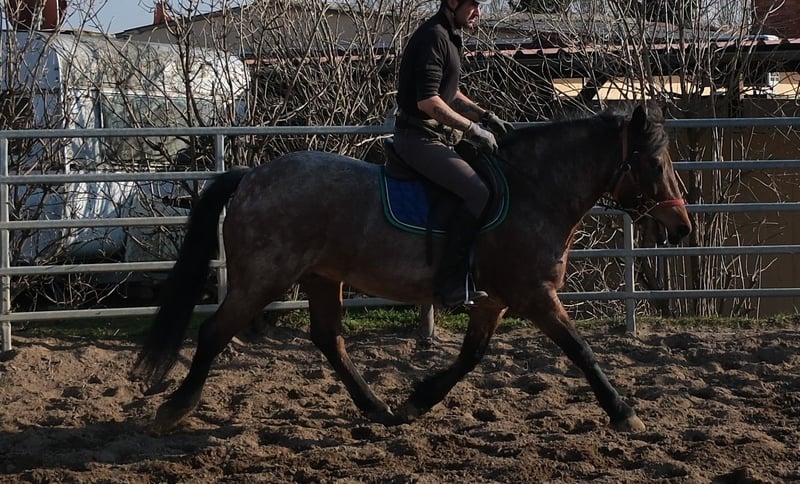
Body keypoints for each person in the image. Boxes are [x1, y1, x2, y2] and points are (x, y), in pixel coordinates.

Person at [393, 0, 514, 307]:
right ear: (451, 2)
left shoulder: (449, 36)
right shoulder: (433, 36)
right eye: (473, 5)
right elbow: (428, 102)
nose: (478, 13)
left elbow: (449, 93)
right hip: (417, 138)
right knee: (477, 192)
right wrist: (472, 129)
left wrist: (485, 116)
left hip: (438, 135)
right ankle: (450, 282)